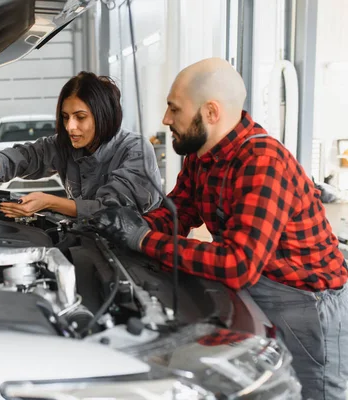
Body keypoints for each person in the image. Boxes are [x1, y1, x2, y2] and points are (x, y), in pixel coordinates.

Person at [90, 57, 348, 400]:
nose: (166, 120)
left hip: (307, 303)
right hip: (263, 290)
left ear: (211, 113)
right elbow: (178, 212)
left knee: (313, 395)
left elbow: (237, 264)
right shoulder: (202, 156)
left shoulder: (262, 162)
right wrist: (126, 227)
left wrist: (143, 239)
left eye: (174, 109)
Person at [0, 71, 162, 219]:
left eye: (80, 117)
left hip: (137, 255)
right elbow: (28, 156)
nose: (70, 127)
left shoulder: (136, 150)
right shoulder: (65, 145)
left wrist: (50, 202)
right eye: (65, 117)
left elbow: (111, 210)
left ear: (104, 116)